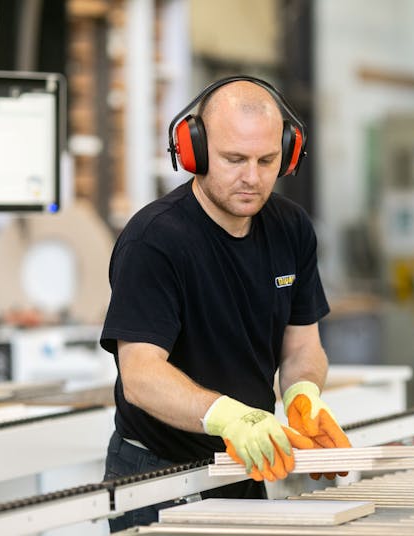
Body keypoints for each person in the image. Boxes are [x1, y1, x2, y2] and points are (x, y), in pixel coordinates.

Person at [100, 75, 351, 531]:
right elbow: (140, 374)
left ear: (289, 153)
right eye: (234, 159)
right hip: (157, 476)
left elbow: (301, 348)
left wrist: (302, 397)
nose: (252, 178)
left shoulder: (291, 228)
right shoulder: (155, 240)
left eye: (267, 160)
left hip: (244, 468)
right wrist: (227, 416)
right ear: (194, 150)